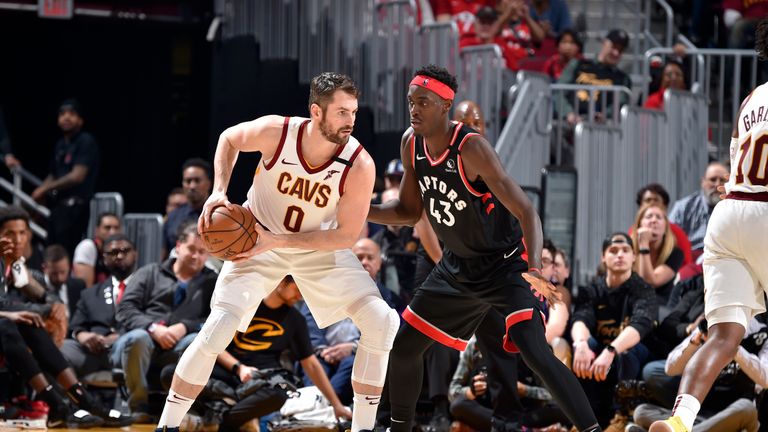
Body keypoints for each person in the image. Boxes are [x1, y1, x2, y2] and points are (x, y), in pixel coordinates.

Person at [155, 72, 399, 432]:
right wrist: (219, 191)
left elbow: (346, 236)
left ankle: (362, 427)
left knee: (381, 322)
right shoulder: (279, 132)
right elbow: (229, 139)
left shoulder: (359, 164)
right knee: (219, 327)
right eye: (342, 112)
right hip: (255, 239)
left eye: (354, 112)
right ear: (316, 111)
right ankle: (167, 425)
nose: (351, 121)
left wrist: (280, 240)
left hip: (317, 246)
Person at [367, 64, 600, 432]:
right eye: (411, 101)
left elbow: (526, 210)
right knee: (405, 347)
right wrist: (361, 210)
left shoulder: (471, 148)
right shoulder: (410, 144)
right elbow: (410, 211)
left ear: (445, 106)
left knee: (534, 349)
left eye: (423, 102)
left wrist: (535, 267)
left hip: (505, 264)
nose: (414, 109)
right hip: (458, 267)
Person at [649, 19, 768, 432]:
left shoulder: (752, 99)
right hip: (766, 213)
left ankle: (680, 421)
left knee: (723, 336)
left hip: (729, 214)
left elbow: (737, 162)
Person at [209, 276, 351, 431]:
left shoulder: (296, 320)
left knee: (284, 388)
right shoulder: (245, 304)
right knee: (190, 360)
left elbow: (311, 364)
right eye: (297, 290)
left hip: (263, 378)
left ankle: (224, 421)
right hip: (230, 368)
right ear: (282, 282)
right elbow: (212, 343)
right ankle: (237, 418)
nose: (300, 296)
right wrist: (239, 368)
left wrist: (336, 405)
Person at [114, 221, 217, 423]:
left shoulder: (212, 281)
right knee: (138, 338)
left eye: (203, 252)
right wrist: (153, 329)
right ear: (178, 246)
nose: (197, 256)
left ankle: (184, 408)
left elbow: (216, 318)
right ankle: (138, 406)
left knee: (196, 341)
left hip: (179, 345)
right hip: (142, 342)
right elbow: (125, 308)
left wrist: (185, 326)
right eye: (192, 249)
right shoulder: (150, 272)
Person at [571, 233, 656, 428]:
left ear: (634, 256)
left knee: (627, 352)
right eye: (613, 251)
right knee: (584, 345)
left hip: (631, 355)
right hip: (600, 357)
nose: (619, 255)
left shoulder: (643, 289)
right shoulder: (592, 290)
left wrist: (611, 351)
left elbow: (640, 325)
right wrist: (581, 344)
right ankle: (585, 417)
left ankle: (622, 415)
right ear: (603, 257)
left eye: (625, 251)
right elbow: (580, 318)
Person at [62, 234, 138, 378]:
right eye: (113, 252)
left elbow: (153, 320)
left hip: (130, 351)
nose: (120, 256)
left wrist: (120, 337)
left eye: (125, 251)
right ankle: (77, 398)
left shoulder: (147, 288)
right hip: (95, 352)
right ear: (104, 258)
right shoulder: (90, 294)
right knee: (60, 348)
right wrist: (82, 335)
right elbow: (75, 326)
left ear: (135, 254)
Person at [31, 99, 100, 256]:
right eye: (62, 114)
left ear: (80, 120)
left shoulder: (86, 141)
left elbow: (77, 176)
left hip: (76, 208)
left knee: (67, 252)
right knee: (51, 250)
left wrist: (45, 188)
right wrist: (39, 191)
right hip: (58, 208)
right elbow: (53, 174)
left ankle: (67, 280)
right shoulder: (60, 144)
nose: (66, 117)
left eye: (71, 114)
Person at [667, 161, 728, 255]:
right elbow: (669, 239)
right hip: (691, 262)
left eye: (722, 180)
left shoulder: (736, 210)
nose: (717, 185)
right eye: (712, 179)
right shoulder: (683, 208)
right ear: (703, 182)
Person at [629, 204, 684, 305]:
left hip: (661, 308)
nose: (654, 220)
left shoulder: (675, 253)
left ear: (665, 228)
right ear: (639, 224)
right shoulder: (628, 249)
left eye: (659, 217)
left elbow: (648, 283)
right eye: (649, 216)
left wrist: (644, 244)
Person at [163, 158, 213, 253]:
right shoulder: (173, 216)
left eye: (197, 180)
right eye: (188, 181)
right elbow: (163, 253)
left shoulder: (220, 214)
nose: (192, 186)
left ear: (208, 183)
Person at [73, 212, 122, 287]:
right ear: (97, 230)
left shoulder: (119, 252)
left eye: (116, 228)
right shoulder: (87, 247)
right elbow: (85, 290)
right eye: (107, 227)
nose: (112, 232)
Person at [41, 244, 85, 319]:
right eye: (54, 273)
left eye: (63, 272)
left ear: (69, 267)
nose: (59, 278)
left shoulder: (78, 286)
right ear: (45, 268)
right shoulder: (35, 288)